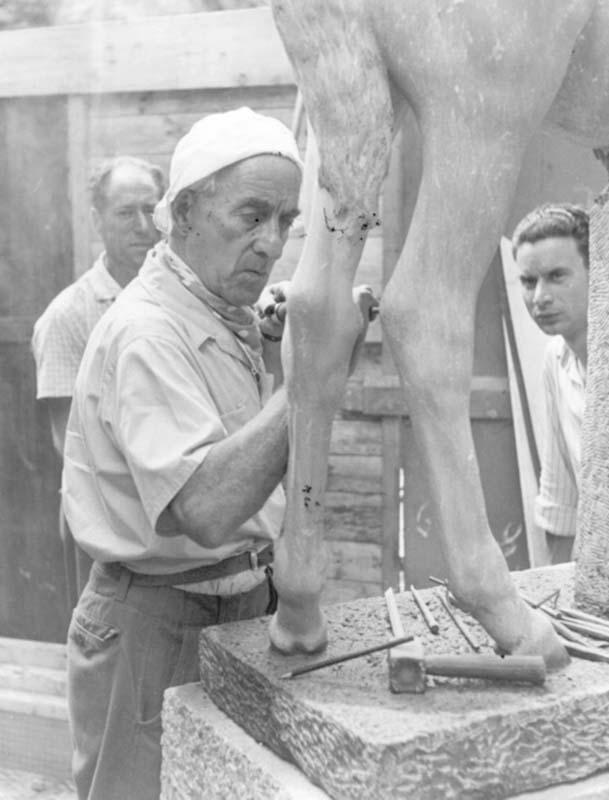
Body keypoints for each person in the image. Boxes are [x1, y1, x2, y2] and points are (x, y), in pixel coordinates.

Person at [61, 107, 375, 800]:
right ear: (186, 212)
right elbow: (204, 508)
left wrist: (274, 351)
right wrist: (306, 383)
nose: (271, 244)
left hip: (239, 607)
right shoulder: (147, 334)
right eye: (251, 216)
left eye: (286, 222)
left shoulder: (218, 312)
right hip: (153, 626)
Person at [31, 156, 165, 605]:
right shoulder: (68, 317)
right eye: (126, 213)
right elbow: (68, 442)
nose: (143, 226)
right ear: (97, 221)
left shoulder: (181, 300)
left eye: (151, 209)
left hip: (173, 528)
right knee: (106, 657)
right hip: (105, 525)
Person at [512, 203, 589, 564]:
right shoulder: (556, 359)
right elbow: (560, 501)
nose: (539, 297)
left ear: (600, 273)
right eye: (529, 281)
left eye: (557, 276)